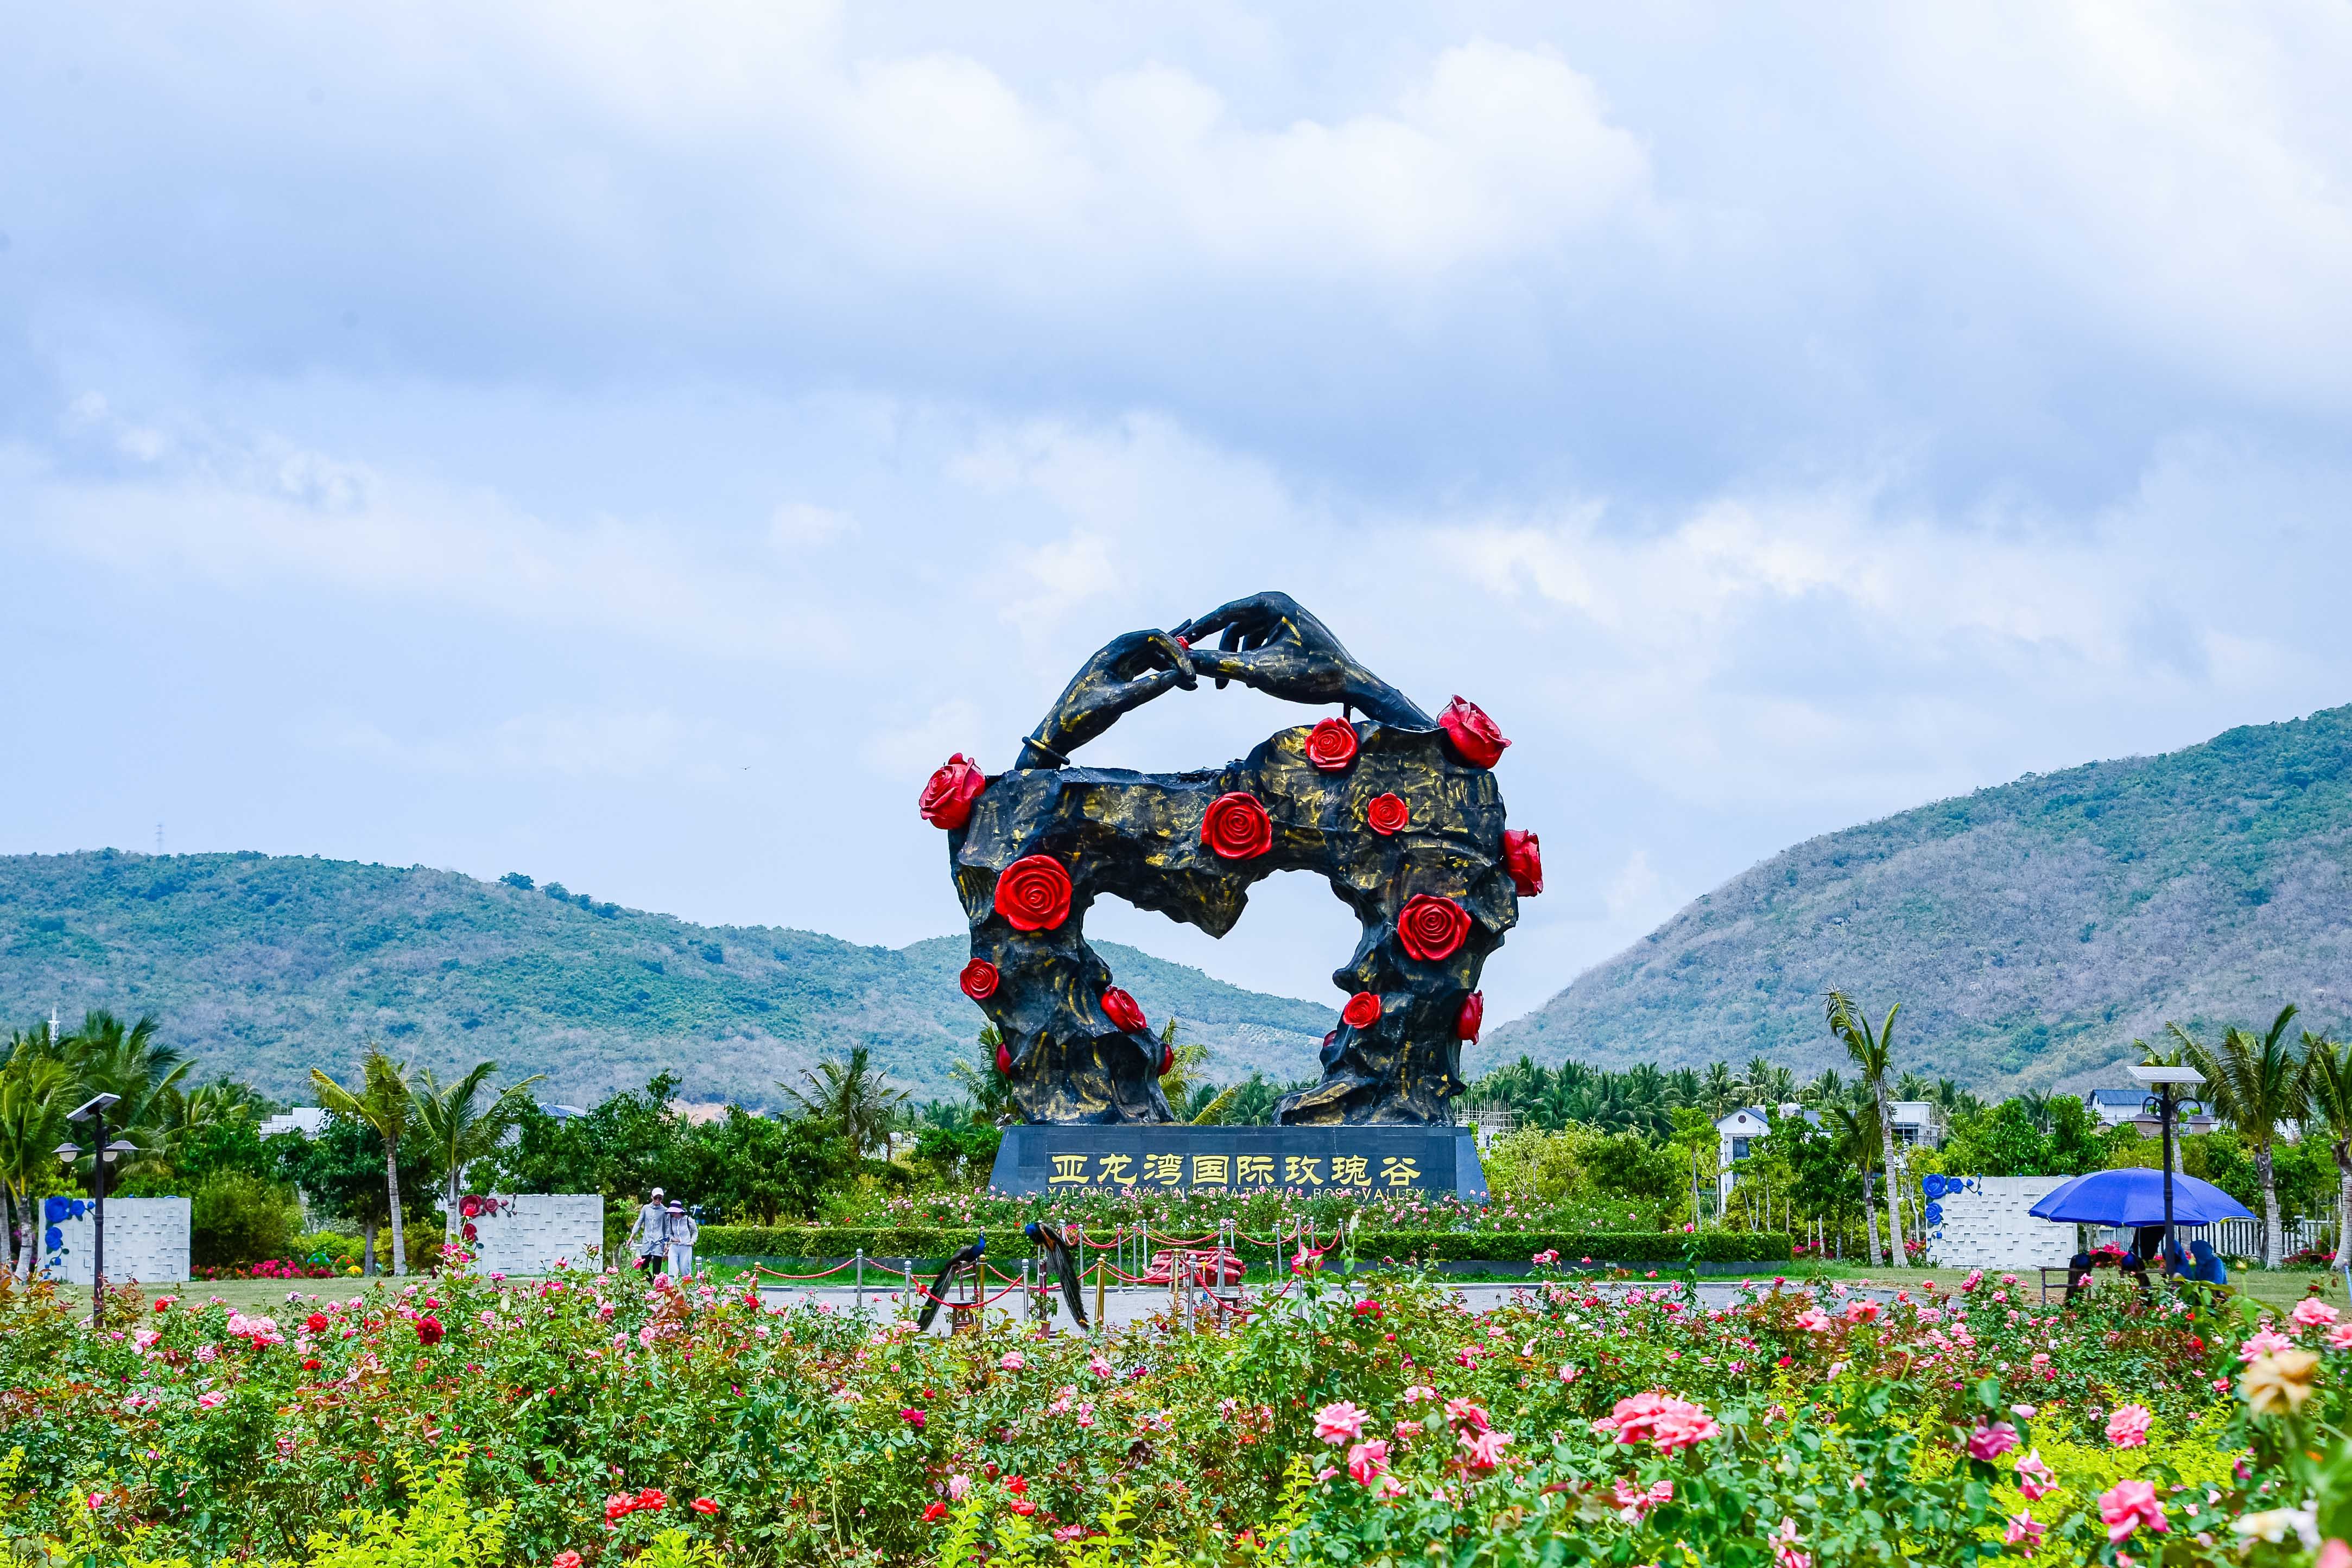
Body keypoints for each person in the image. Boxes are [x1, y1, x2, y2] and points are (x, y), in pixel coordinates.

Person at [629, 1188, 671, 1275]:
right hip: (647, 1240)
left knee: (657, 1268)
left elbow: (667, 1228)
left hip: (659, 1241)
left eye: (660, 1198)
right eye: (656, 1197)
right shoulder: (646, 1208)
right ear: (652, 1197)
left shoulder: (665, 1211)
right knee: (644, 1267)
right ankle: (651, 1282)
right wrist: (631, 1237)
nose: (658, 1200)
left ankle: (656, 1285)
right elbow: (639, 1222)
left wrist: (667, 1243)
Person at [664, 1201, 699, 1280]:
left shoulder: (688, 1220)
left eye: (675, 1212)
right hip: (674, 1247)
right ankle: (672, 1288)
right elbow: (669, 1233)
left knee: (685, 1269)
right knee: (672, 1269)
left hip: (686, 1247)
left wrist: (693, 1241)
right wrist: (673, 1239)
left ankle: (686, 1287)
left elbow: (695, 1232)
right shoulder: (672, 1220)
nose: (674, 1214)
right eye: (672, 1212)